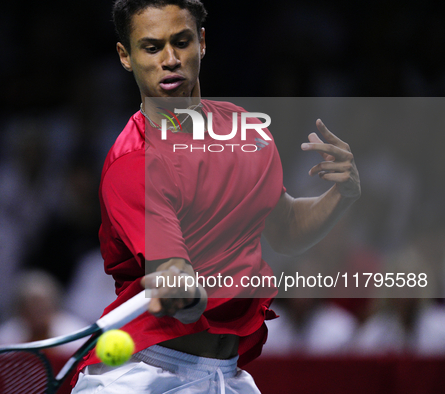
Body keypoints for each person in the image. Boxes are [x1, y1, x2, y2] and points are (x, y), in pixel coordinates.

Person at [71, 1, 361, 393]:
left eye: (182, 42)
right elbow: (170, 267)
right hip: (147, 375)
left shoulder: (249, 134)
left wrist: (340, 196)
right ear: (126, 56)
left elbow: (286, 229)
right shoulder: (134, 161)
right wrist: (181, 292)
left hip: (224, 375)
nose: (170, 59)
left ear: (202, 42)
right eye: (151, 47)